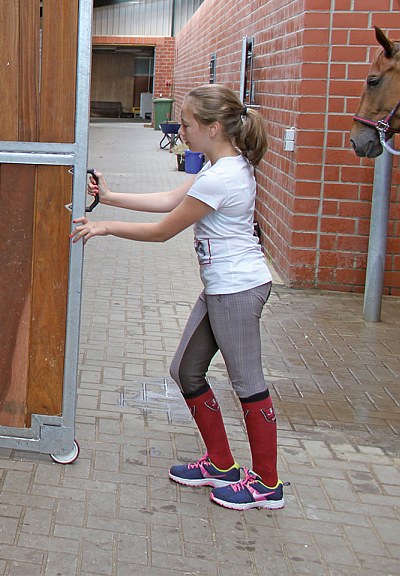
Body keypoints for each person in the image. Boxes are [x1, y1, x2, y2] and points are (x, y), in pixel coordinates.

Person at [71, 84, 284, 511]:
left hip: (237, 290)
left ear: (213, 127)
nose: (181, 130)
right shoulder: (216, 166)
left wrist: (106, 226)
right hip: (221, 288)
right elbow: (172, 198)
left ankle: (266, 484)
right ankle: (221, 466)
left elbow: (165, 228)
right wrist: (110, 198)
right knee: (186, 371)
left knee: (249, 385)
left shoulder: (224, 175)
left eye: (187, 124)